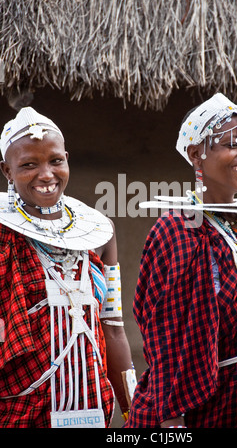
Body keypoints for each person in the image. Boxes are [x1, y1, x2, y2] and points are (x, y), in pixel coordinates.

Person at [126, 93, 237, 428]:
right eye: (232, 143)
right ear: (197, 154)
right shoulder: (176, 228)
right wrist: (171, 418)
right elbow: (163, 332)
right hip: (210, 407)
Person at [0, 107, 136, 428]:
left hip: (91, 409)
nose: (46, 174)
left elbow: (113, 326)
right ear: (7, 171)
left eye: (55, 161)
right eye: (29, 164)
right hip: (22, 408)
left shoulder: (100, 233)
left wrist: (132, 411)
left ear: (66, 159)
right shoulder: (4, 236)